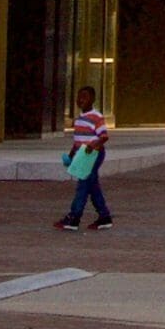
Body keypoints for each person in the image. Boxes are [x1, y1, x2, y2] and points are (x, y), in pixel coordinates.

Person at [59, 85, 114, 230]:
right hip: (82, 155)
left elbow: (104, 136)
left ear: (92, 99)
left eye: (85, 97)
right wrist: (71, 156)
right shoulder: (79, 119)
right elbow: (77, 141)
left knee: (83, 186)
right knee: (92, 185)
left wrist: (93, 145)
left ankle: (74, 217)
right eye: (79, 97)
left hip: (94, 154)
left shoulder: (96, 117)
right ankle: (104, 216)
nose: (80, 100)